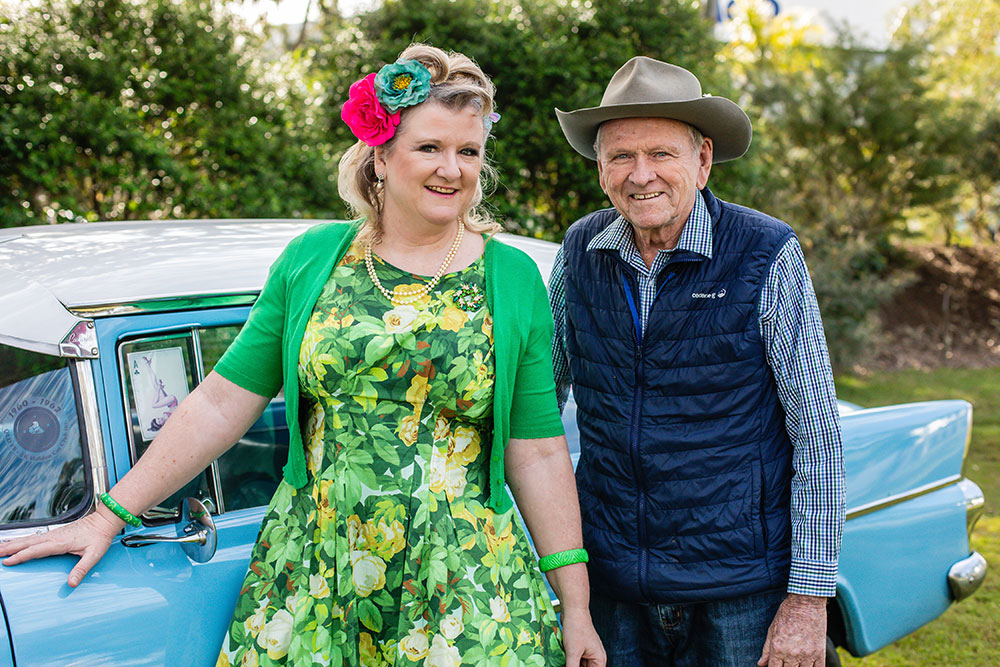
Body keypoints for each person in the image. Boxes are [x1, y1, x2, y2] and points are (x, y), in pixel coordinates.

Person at [0, 44, 606, 667]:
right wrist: (108, 515)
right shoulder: (313, 260)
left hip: (466, 582)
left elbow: (536, 450)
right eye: (429, 147)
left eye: (468, 151)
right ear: (381, 154)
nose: (451, 169)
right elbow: (220, 402)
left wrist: (577, 607)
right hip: (317, 569)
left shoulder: (511, 279)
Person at [548, 56, 846, 667]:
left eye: (661, 153)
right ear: (600, 167)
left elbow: (817, 433)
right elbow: (540, 405)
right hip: (610, 586)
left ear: (703, 160)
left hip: (740, 590)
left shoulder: (765, 250)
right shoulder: (580, 250)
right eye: (621, 156)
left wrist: (808, 600)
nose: (641, 175)